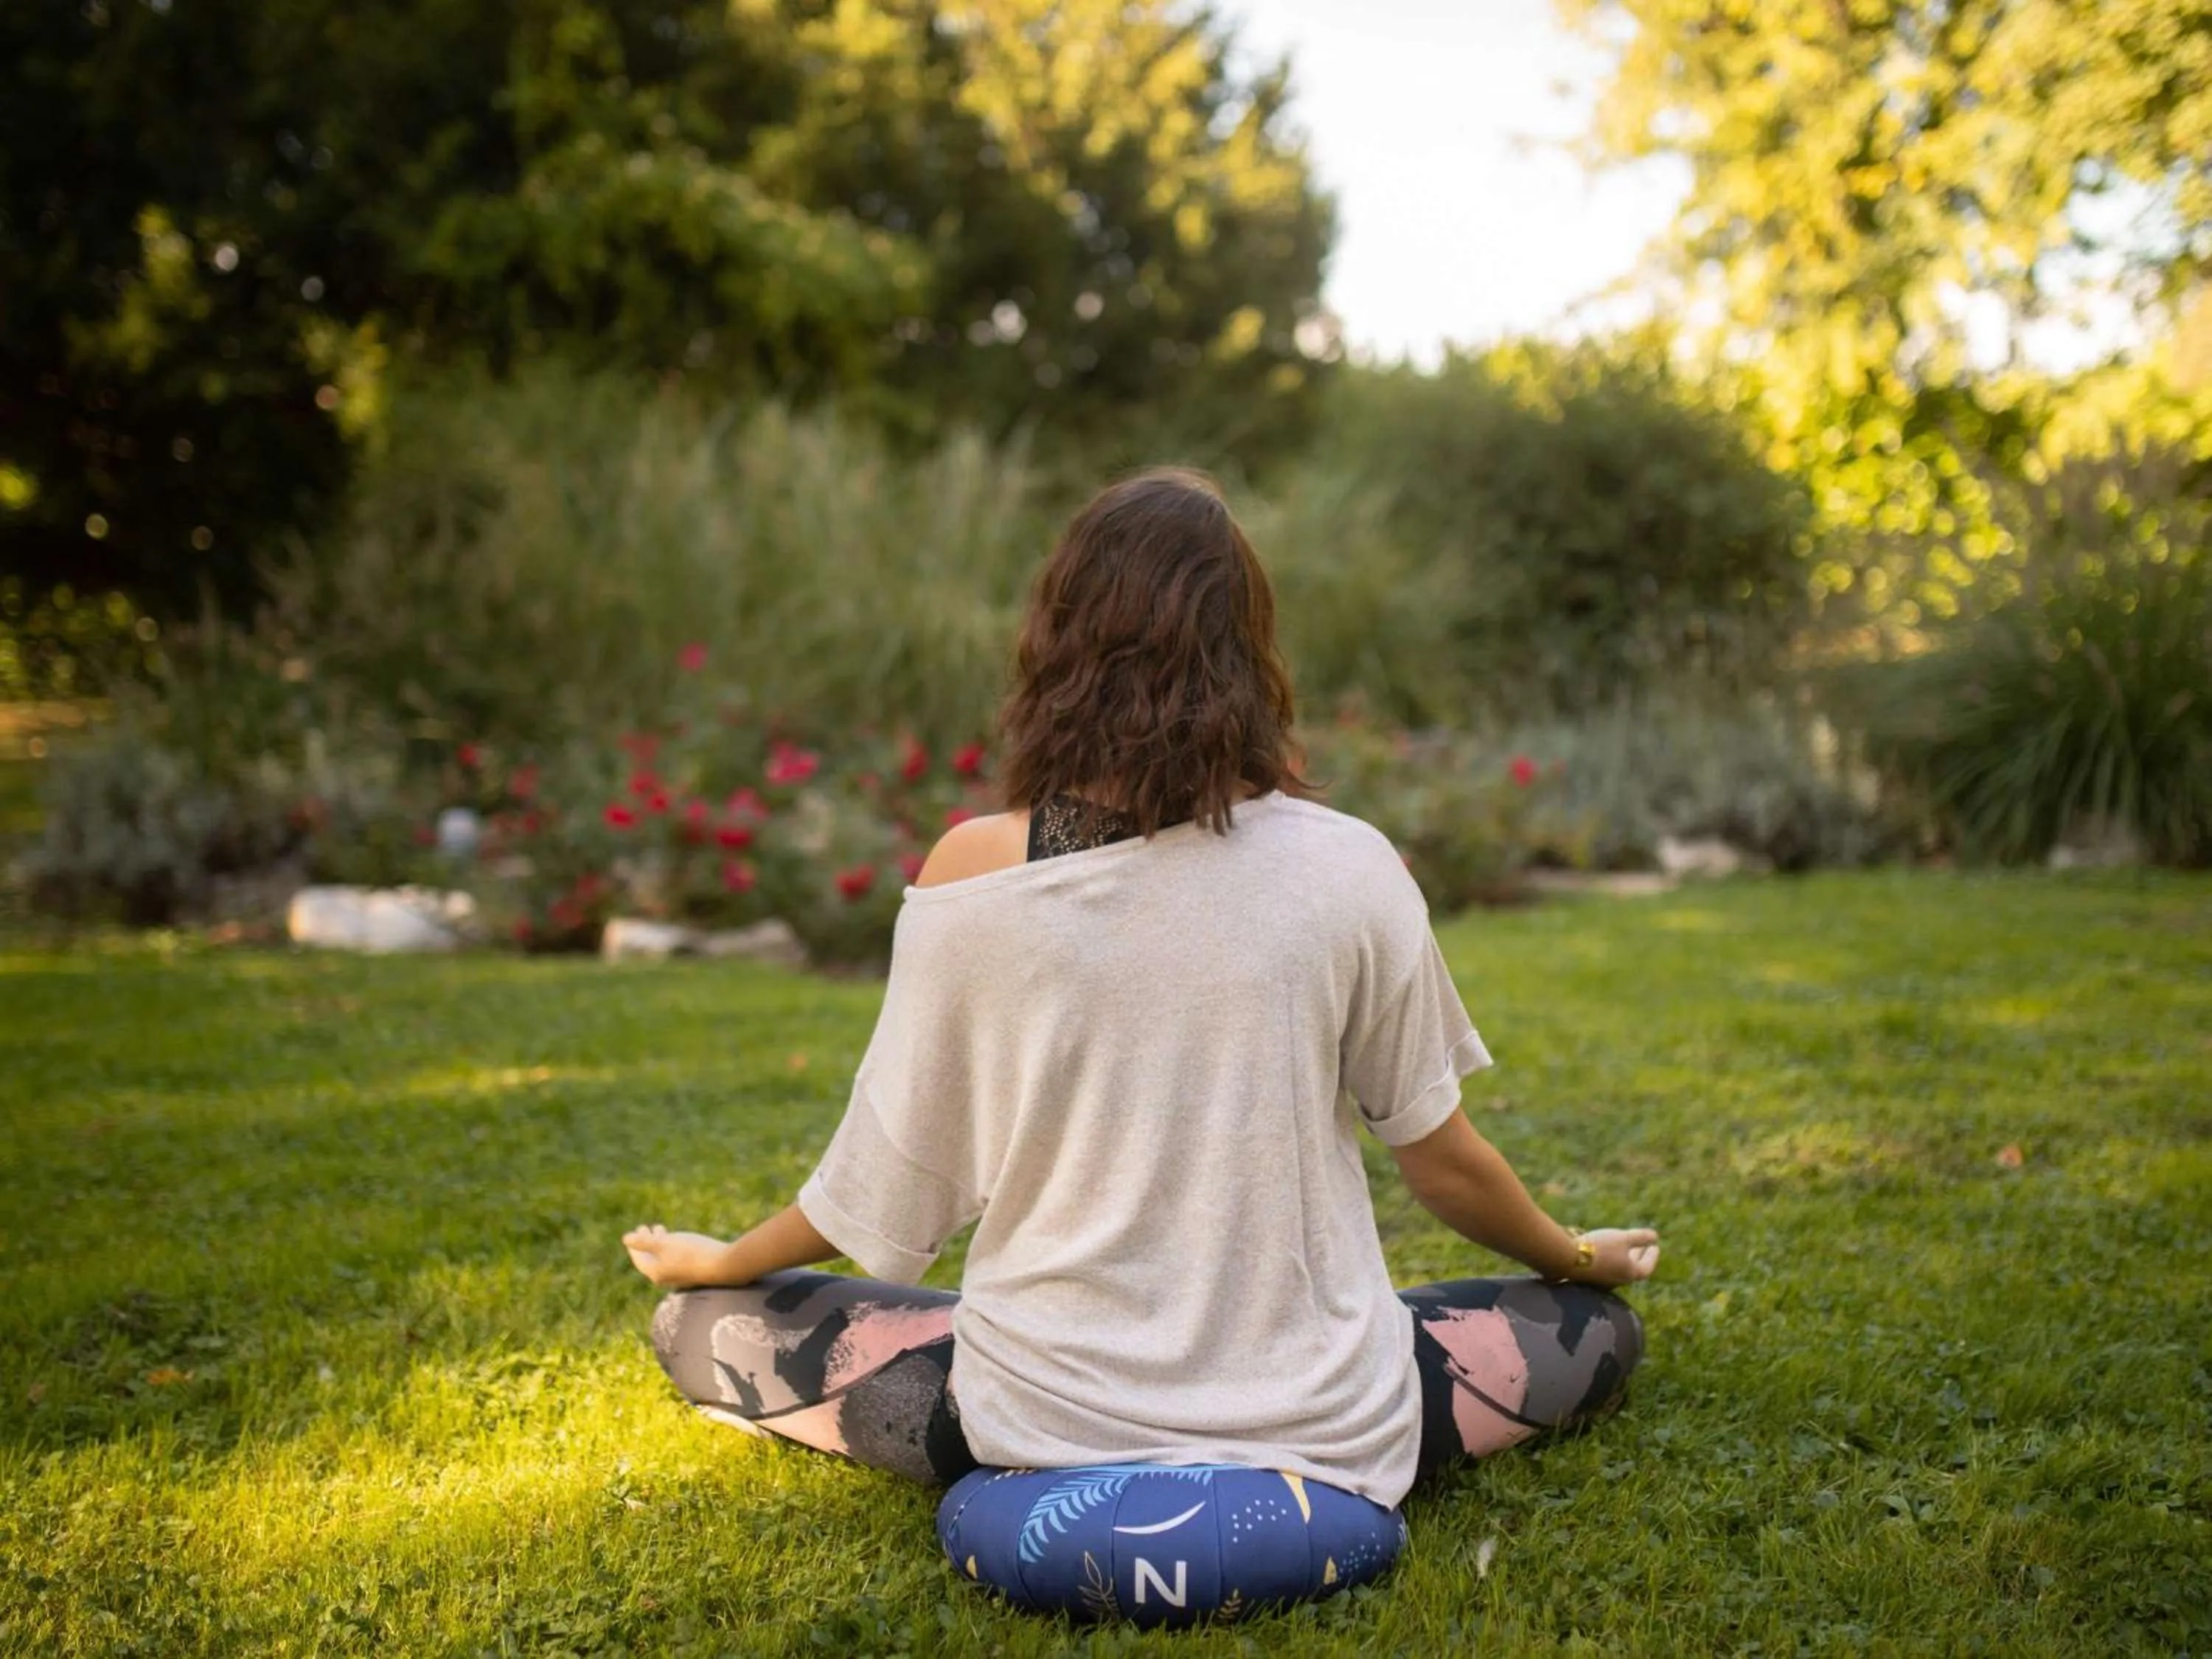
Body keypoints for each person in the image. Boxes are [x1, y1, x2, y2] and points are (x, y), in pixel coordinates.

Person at [622, 467, 1659, 1507]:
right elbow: (1444, 1160)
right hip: (1319, 1414)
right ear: (1250, 650)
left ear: (1058, 641)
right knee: (1598, 1330)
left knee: (699, 1327)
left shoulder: (974, 871)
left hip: (1036, 1415)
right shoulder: (1352, 867)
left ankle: (1034, 1428)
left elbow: (885, 1177)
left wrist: (728, 1263)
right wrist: (1577, 1257)